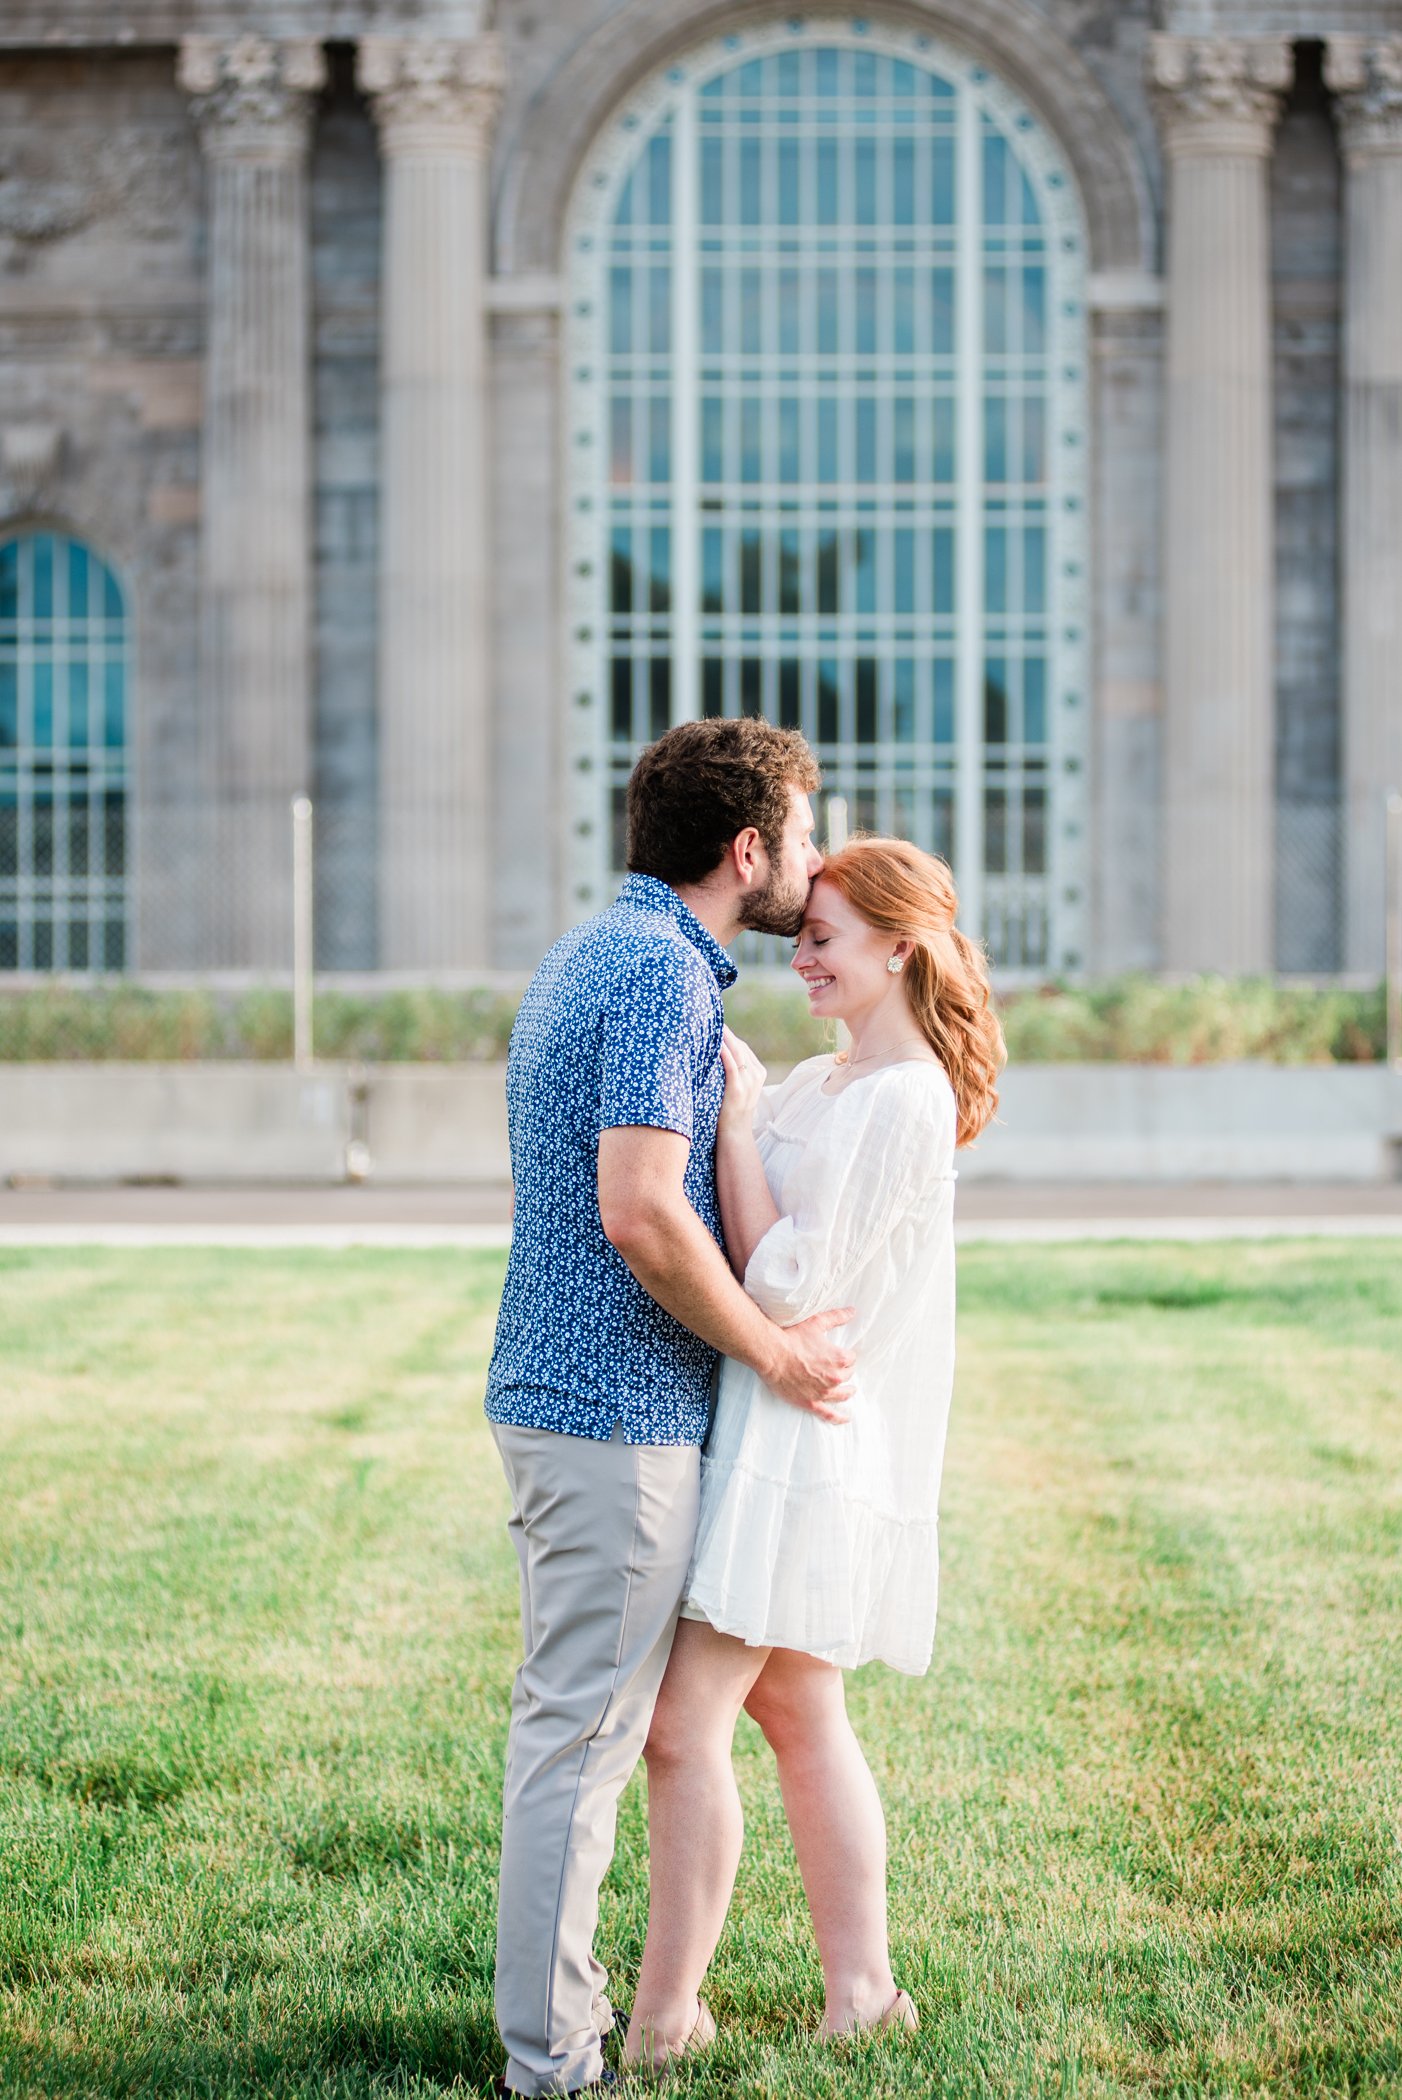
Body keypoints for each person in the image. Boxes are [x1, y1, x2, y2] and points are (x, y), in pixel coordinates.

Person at [484, 717, 858, 2099]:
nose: (811, 867)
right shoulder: (658, 976)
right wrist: (769, 1346)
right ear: (745, 848)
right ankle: (555, 2061)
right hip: (611, 1415)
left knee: (573, 1736)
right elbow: (639, 1210)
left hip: (565, 1402)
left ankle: (579, 2034)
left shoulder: (597, 950)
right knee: (577, 1748)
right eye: (802, 837)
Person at [622, 836, 1005, 2070]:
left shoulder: (903, 1098)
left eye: (825, 942)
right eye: (798, 942)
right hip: (770, 1427)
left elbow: (785, 1285)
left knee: (683, 1729)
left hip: (802, 1444)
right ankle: (864, 1992)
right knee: (798, 1711)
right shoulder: (829, 1081)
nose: (803, 963)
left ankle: (666, 2020)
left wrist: (735, 1132)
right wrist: (739, 1112)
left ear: (902, 948)